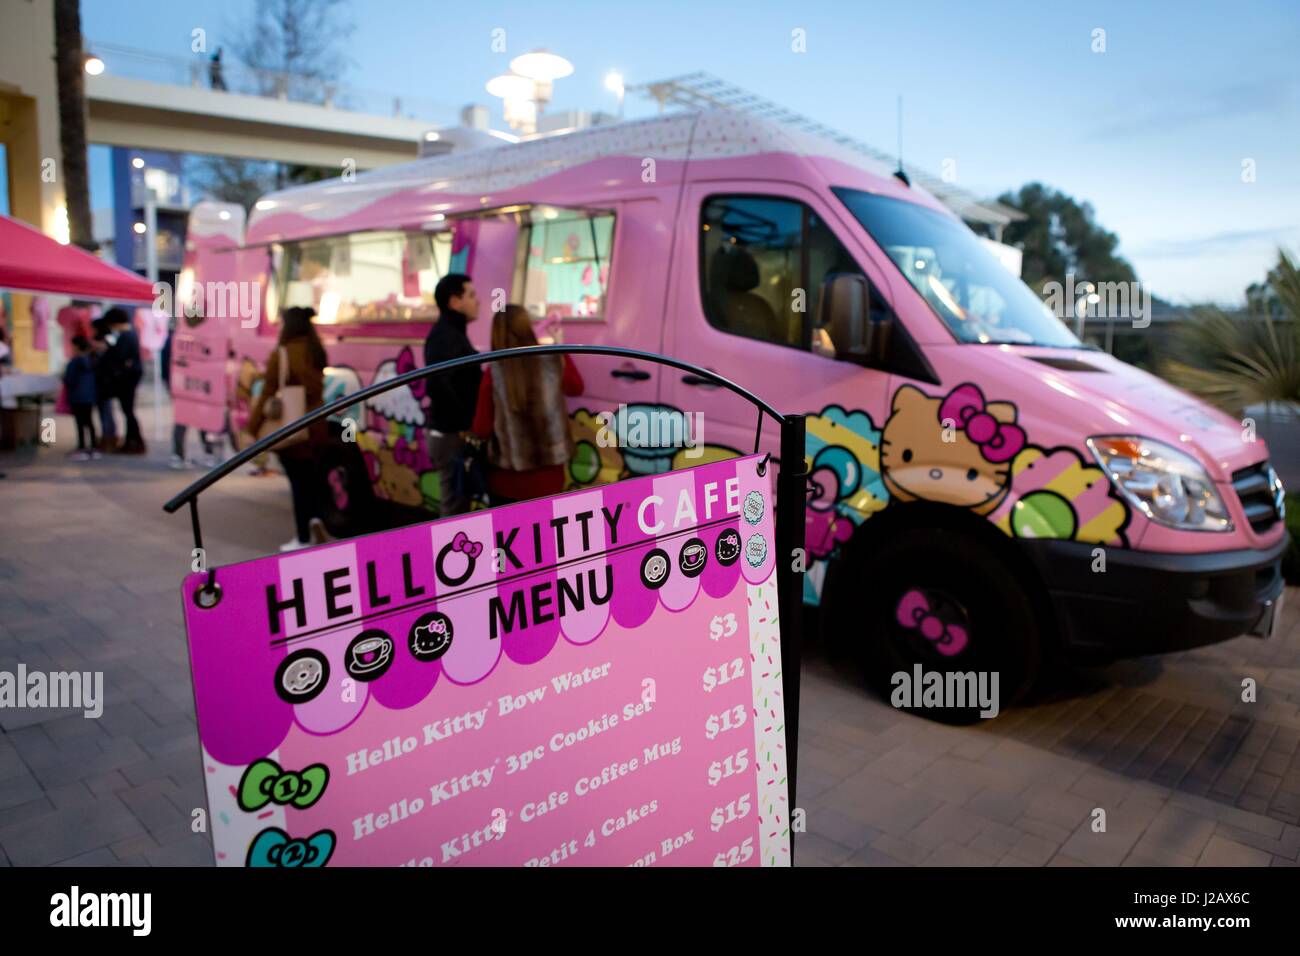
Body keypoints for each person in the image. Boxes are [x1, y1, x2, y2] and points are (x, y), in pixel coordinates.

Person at [471, 305, 583, 505]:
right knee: (547, 534)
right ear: (528, 329)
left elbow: (482, 428)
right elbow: (576, 388)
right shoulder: (553, 359)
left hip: (506, 479)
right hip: (549, 478)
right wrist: (560, 347)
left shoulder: (493, 372)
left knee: (509, 535)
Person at [247, 306, 329, 552]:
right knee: (312, 480)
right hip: (317, 426)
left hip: (292, 427)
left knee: (297, 484)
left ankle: (302, 538)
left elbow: (268, 393)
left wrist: (252, 428)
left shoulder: (282, 354)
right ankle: (316, 520)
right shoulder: (317, 351)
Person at [422, 273, 482, 517]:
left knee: (459, 504)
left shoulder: (452, 333)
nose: (478, 301)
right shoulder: (445, 336)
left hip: (452, 433)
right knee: (455, 508)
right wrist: (463, 424)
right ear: (454, 302)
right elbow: (437, 384)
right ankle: (451, 552)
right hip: (450, 435)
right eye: (471, 295)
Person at [161, 320, 219, 469]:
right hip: (196, 387)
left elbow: (165, 365)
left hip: (187, 386)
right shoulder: (205, 338)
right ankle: (207, 454)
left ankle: (181, 455)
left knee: (188, 421)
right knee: (200, 421)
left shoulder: (175, 338)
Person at [101, 308, 145, 454]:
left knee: (128, 412)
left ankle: (134, 442)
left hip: (127, 381)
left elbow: (119, 356)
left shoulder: (127, 336)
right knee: (128, 412)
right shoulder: (128, 334)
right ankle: (133, 441)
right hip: (128, 380)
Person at [63, 335, 101, 462]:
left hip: (77, 396)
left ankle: (82, 447)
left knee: (80, 423)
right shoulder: (93, 360)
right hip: (90, 396)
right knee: (89, 421)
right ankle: (94, 447)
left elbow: (69, 379)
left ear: (76, 347)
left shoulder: (74, 362)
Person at [89, 317, 120, 451]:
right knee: (105, 411)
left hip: (105, 381)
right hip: (103, 381)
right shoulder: (108, 338)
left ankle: (109, 438)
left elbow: (111, 350)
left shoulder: (107, 339)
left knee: (106, 411)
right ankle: (109, 437)